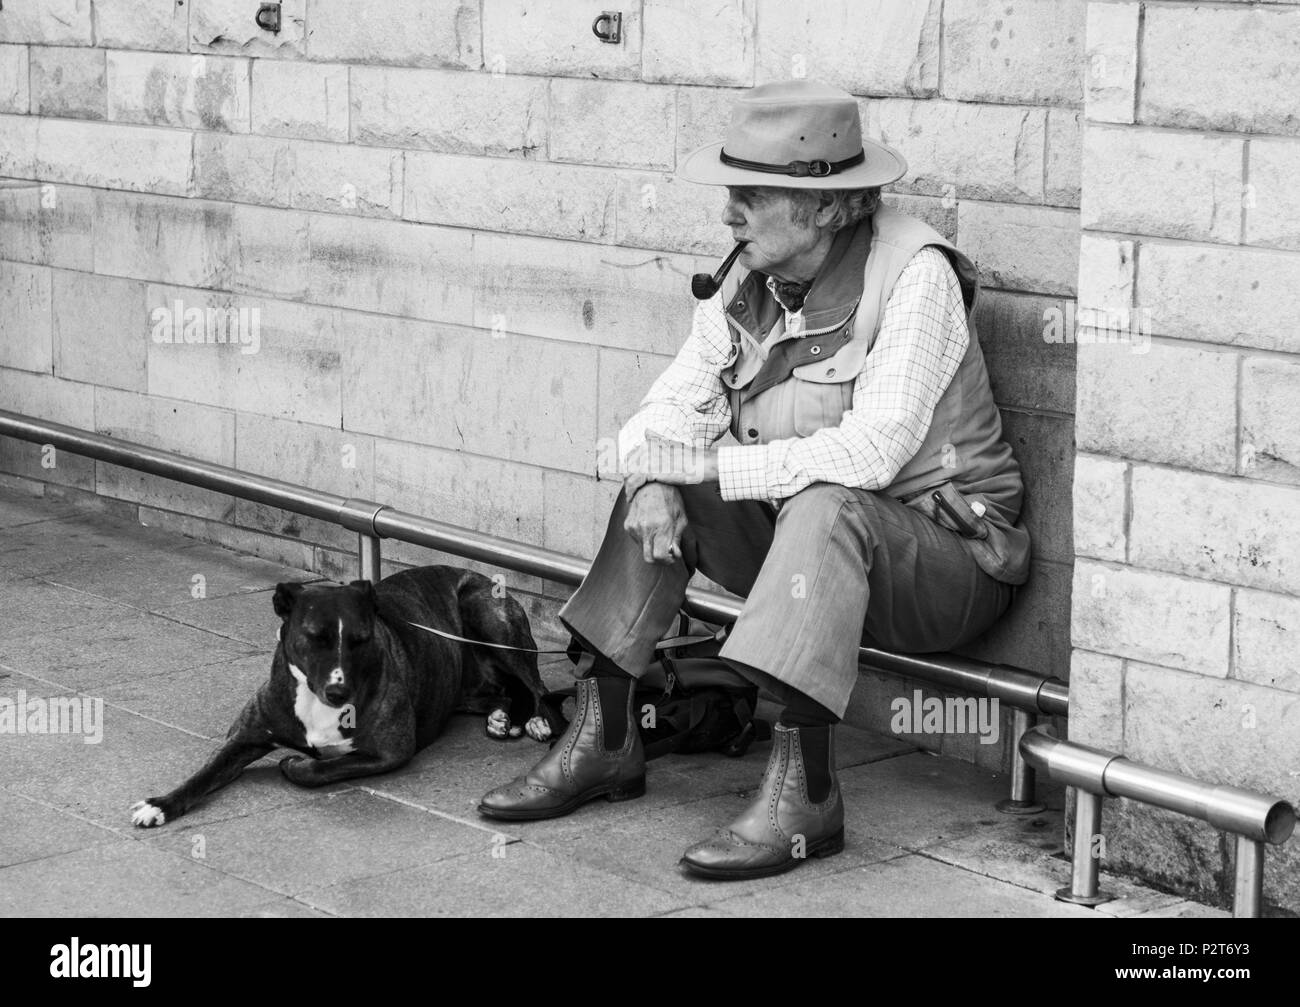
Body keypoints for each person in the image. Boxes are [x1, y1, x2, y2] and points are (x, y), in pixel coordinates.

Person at [477, 79, 1031, 881]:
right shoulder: (747, 277)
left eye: (753, 194)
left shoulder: (917, 278)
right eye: (731, 190)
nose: (728, 212)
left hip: (944, 565)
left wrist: (702, 462)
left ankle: (805, 796)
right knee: (663, 478)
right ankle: (603, 738)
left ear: (831, 207)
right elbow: (665, 408)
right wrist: (655, 475)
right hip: (809, 557)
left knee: (823, 497)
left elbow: (870, 455)